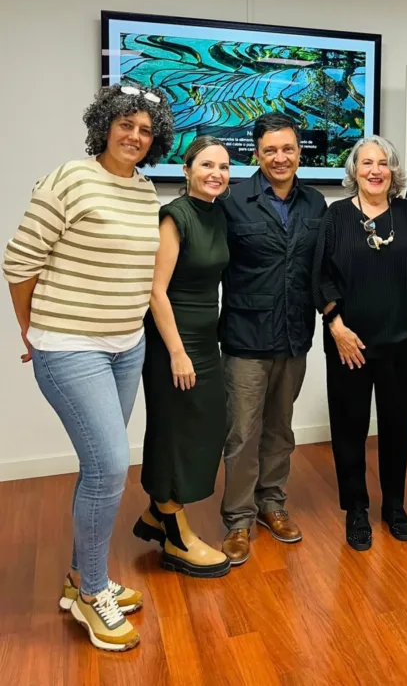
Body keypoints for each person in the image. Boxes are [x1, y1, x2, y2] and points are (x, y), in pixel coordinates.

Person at [2, 84, 174, 651]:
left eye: (146, 130)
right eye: (126, 124)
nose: (135, 136)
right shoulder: (69, 179)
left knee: (97, 468)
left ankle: (81, 580)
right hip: (70, 346)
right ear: (104, 126)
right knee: (109, 467)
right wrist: (31, 329)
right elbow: (19, 261)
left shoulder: (146, 192)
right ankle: (92, 591)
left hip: (126, 345)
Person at [313, 136, 407, 551]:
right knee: (348, 428)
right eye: (367, 163)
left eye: (383, 163)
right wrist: (336, 325)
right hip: (349, 342)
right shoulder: (335, 216)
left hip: (403, 341)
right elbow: (320, 275)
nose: (375, 170)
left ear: (393, 171)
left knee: (397, 426)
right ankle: (357, 509)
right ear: (354, 171)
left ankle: (395, 506)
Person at [218, 114, 327, 565]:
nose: (280, 158)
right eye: (270, 151)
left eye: (288, 149)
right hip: (245, 337)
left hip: (295, 334)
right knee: (243, 432)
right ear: (256, 154)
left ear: (300, 152)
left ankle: (272, 503)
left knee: (281, 428)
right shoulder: (231, 201)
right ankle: (239, 519)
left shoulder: (316, 203)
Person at [133, 136, 231, 578]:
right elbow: (156, 291)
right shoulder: (174, 217)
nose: (216, 173)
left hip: (205, 342)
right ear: (187, 169)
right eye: (207, 164)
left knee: (206, 426)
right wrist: (176, 352)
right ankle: (176, 536)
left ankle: (157, 512)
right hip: (173, 344)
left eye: (225, 167)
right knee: (173, 431)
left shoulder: (219, 215)